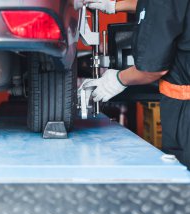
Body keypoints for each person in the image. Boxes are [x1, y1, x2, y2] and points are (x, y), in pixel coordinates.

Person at [81, 0, 190, 169]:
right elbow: (165, 7)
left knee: (184, 172)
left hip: (185, 112)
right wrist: (115, 6)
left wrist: (117, 80)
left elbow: (152, 70)